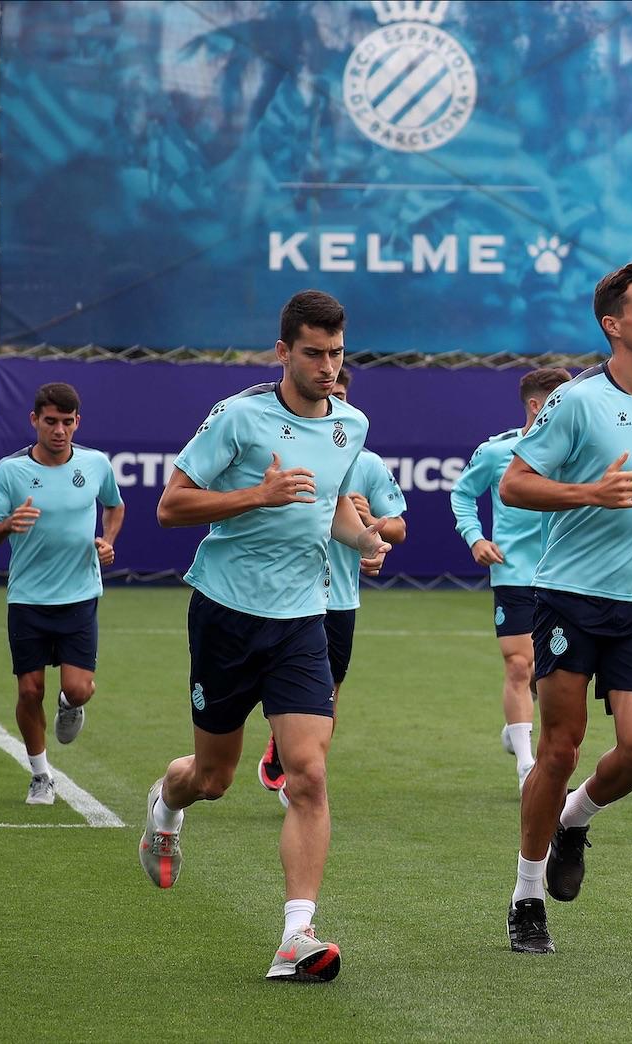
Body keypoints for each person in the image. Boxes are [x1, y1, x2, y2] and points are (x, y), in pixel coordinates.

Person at [138, 290, 390, 983]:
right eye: (314, 354)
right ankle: (167, 802)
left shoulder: (352, 424)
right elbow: (170, 507)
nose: (328, 367)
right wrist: (258, 495)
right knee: (213, 777)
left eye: (337, 354)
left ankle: (296, 934)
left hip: (303, 619)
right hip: (225, 614)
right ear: (282, 352)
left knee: (308, 772)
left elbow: (331, 505)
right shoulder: (238, 417)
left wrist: (365, 539)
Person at [499, 259, 632, 954]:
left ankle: (575, 819)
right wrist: (589, 494)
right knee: (559, 747)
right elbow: (515, 485)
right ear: (613, 325)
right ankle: (526, 897)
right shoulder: (576, 401)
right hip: (571, 598)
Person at [259, 366, 407, 804]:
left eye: (340, 396)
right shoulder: (282, 449)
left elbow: (398, 528)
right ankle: (285, 742)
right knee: (282, 688)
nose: (333, 402)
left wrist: (370, 522)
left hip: (339, 598)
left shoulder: (366, 462)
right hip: (284, 595)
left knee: (327, 695)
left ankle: (303, 774)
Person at [0, 382, 124, 806]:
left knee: (79, 689)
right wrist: (8, 524)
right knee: (28, 691)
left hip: (79, 595)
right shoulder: (11, 470)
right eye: (51, 421)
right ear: (34, 420)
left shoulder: (96, 464)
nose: (59, 430)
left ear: (77, 422)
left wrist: (107, 540)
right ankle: (41, 775)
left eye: (67, 422)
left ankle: (69, 703)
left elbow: (115, 506)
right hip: (28, 598)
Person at [450, 366, 572, 791]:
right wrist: (475, 538)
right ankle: (526, 765)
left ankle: (517, 725)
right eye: (560, 400)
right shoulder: (498, 451)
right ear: (536, 406)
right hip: (514, 573)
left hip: (567, 574)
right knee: (519, 665)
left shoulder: (578, 451)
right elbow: (462, 493)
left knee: (552, 673)